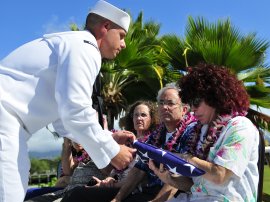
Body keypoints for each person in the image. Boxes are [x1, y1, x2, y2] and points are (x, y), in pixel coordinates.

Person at [0, 1, 137, 201]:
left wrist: (108, 137)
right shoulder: (86, 47)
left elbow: (63, 121)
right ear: (105, 27)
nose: (123, 44)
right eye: (122, 36)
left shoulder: (74, 43)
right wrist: (113, 151)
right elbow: (75, 110)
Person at [149, 63, 259, 202]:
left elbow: (219, 175)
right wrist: (167, 178)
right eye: (189, 103)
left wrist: (187, 158)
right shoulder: (201, 131)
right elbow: (193, 186)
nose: (192, 109)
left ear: (214, 96)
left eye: (196, 102)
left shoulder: (240, 126)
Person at [60, 100, 160, 202]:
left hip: (131, 189)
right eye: (136, 115)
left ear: (152, 119)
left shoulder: (152, 143)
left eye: (143, 115)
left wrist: (111, 184)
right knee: (75, 193)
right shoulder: (126, 139)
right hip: (115, 185)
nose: (139, 118)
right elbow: (112, 170)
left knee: (77, 194)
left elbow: (139, 175)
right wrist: (109, 179)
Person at [112, 83, 197, 202]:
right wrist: (117, 199)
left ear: (183, 110)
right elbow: (139, 169)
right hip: (148, 191)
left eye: (170, 103)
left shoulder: (191, 132)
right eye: (161, 103)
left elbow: (180, 174)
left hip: (173, 196)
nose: (164, 107)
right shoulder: (156, 135)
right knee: (80, 193)